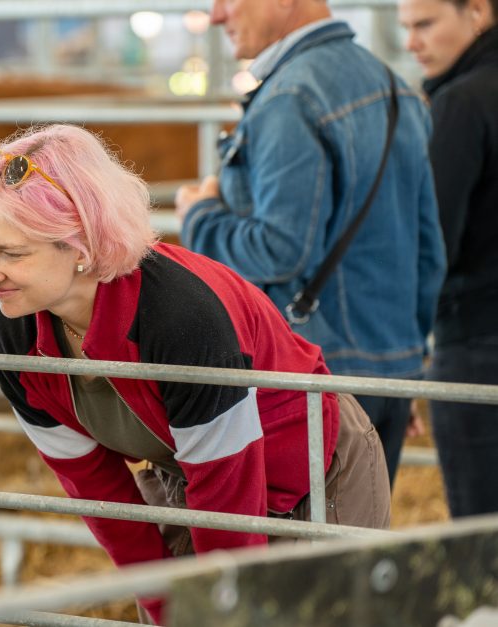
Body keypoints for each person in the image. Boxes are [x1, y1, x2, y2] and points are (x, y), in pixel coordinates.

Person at [0, 124, 390, 625]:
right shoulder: (15, 333)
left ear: (79, 248)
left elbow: (226, 503)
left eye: (11, 253)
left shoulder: (178, 318)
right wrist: (163, 604)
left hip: (312, 468)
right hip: (190, 477)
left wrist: (215, 611)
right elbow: (98, 490)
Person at [175, 0, 446, 487]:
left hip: (313, 381)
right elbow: (427, 252)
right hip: (388, 370)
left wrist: (200, 217)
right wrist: (402, 370)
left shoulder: (288, 97)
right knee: (361, 545)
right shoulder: (394, 87)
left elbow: (279, 250)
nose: (216, 16)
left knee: (304, 555)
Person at [399, 0, 498, 517]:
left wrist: (406, 353)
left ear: (477, 12)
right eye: (406, 29)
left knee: (482, 533)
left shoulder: (461, 103)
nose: (412, 42)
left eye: (425, 24)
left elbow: (434, 242)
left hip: (477, 342)